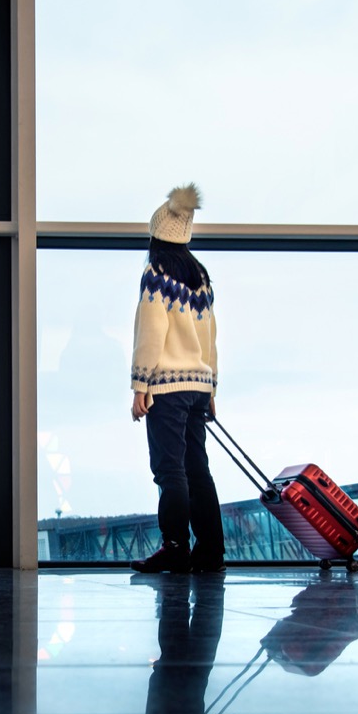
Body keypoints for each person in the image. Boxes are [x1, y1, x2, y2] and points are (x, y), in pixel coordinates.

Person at [130, 183, 225, 574]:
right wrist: (212, 387)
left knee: (169, 470)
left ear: (155, 237)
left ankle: (174, 548)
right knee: (197, 468)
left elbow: (150, 335)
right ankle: (211, 551)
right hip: (198, 386)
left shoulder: (156, 274)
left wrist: (140, 385)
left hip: (166, 387)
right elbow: (210, 338)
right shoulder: (199, 276)